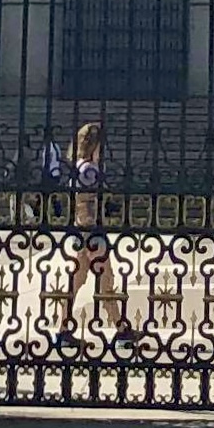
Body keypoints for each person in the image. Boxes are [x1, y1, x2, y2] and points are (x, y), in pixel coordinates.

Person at [52, 119, 132, 348]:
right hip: (91, 233)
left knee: (76, 282)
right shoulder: (89, 169)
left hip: (81, 231)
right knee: (106, 281)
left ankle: (63, 330)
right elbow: (87, 203)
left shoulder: (78, 166)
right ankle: (121, 331)